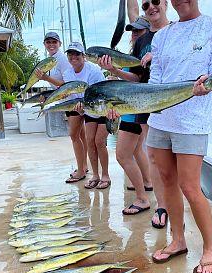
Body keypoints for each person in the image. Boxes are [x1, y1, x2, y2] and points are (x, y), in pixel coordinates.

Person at [147, 0, 212, 273]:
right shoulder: (161, 36)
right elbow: (155, 78)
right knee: (167, 181)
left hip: (192, 121)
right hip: (160, 118)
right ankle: (178, 240)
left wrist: (207, 82)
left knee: (190, 186)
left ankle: (210, 249)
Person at [98, 0, 170, 228]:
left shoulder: (174, 32)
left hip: (168, 103)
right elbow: (138, 78)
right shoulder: (141, 44)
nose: (135, 33)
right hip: (141, 105)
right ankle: (153, 203)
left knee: (160, 159)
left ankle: (165, 207)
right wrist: (114, 70)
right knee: (149, 157)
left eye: (156, 2)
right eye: (147, 3)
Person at [38, 42, 111, 188]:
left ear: (83, 56)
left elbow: (102, 92)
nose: (73, 57)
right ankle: (95, 175)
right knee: (90, 141)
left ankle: (105, 176)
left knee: (99, 142)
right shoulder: (68, 73)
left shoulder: (94, 71)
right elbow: (71, 95)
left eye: (77, 54)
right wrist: (76, 108)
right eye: (70, 54)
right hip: (88, 110)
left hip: (103, 108)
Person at [36, 32, 88, 181]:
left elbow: (67, 84)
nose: (51, 44)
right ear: (44, 44)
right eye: (48, 42)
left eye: (54, 42)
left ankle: (81, 169)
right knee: (81, 135)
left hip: (72, 99)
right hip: (66, 98)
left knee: (74, 135)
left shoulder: (63, 59)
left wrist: (45, 77)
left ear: (59, 44)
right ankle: (83, 166)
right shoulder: (50, 60)